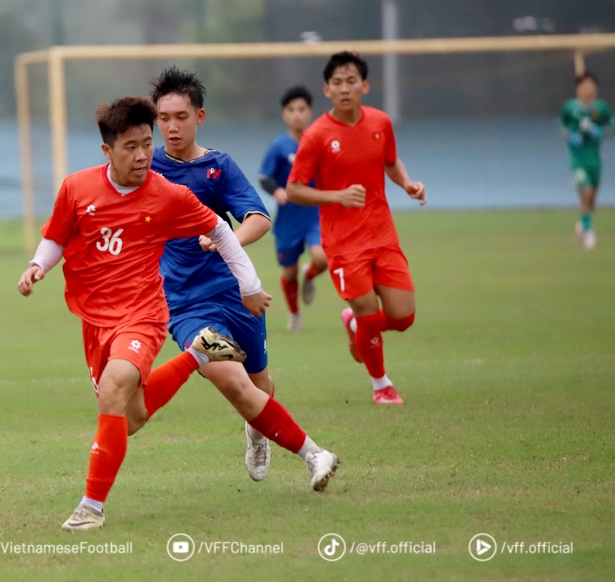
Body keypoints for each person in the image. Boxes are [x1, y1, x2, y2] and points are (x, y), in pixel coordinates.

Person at [17, 95, 272, 531]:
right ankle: (197, 356)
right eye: (130, 147)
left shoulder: (170, 192)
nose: (142, 155)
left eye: (145, 143)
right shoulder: (77, 188)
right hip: (96, 318)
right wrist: (38, 265)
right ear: (107, 151)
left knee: (117, 385)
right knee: (127, 417)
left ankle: (91, 507)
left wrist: (250, 287)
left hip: (145, 311)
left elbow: (221, 230)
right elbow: (57, 236)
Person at [149, 66, 340, 488]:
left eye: (181, 116)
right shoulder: (145, 167)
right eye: (163, 118)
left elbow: (258, 217)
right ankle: (315, 454)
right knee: (229, 379)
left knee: (259, 383)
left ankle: (257, 432)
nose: (171, 126)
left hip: (237, 293)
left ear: (199, 117)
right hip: (184, 305)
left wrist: (224, 240)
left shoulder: (217, 168)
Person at [286, 51, 426, 405]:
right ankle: (381, 386)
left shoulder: (380, 122)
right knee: (367, 309)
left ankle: (354, 325)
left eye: (351, 82)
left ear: (365, 85)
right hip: (343, 242)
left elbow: (391, 162)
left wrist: (407, 183)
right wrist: (338, 196)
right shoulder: (316, 135)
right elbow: (294, 189)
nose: (345, 88)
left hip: (382, 232)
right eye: (337, 83)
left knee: (403, 316)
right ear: (327, 89)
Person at [258, 85, 328, 331]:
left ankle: (310, 275)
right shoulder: (279, 146)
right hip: (288, 219)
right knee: (289, 273)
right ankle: (295, 314)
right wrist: (276, 190)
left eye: (302, 109)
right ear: (284, 115)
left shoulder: (319, 142)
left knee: (322, 258)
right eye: (291, 110)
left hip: (315, 215)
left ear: (310, 113)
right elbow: (265, 177)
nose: (297, 114)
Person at [559, 71, 615, 251]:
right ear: (579, 87)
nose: (589, 88)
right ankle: (588, 233)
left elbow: (613, 127)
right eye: (585, 85)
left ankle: (582, 224)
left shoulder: (601, 107)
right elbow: (562, 128)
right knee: (585, 191)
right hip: (577, 158)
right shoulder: (569, 107)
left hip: (595, 158)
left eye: (592, 85)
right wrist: (571, 136)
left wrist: (600, 132)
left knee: (591, 200)